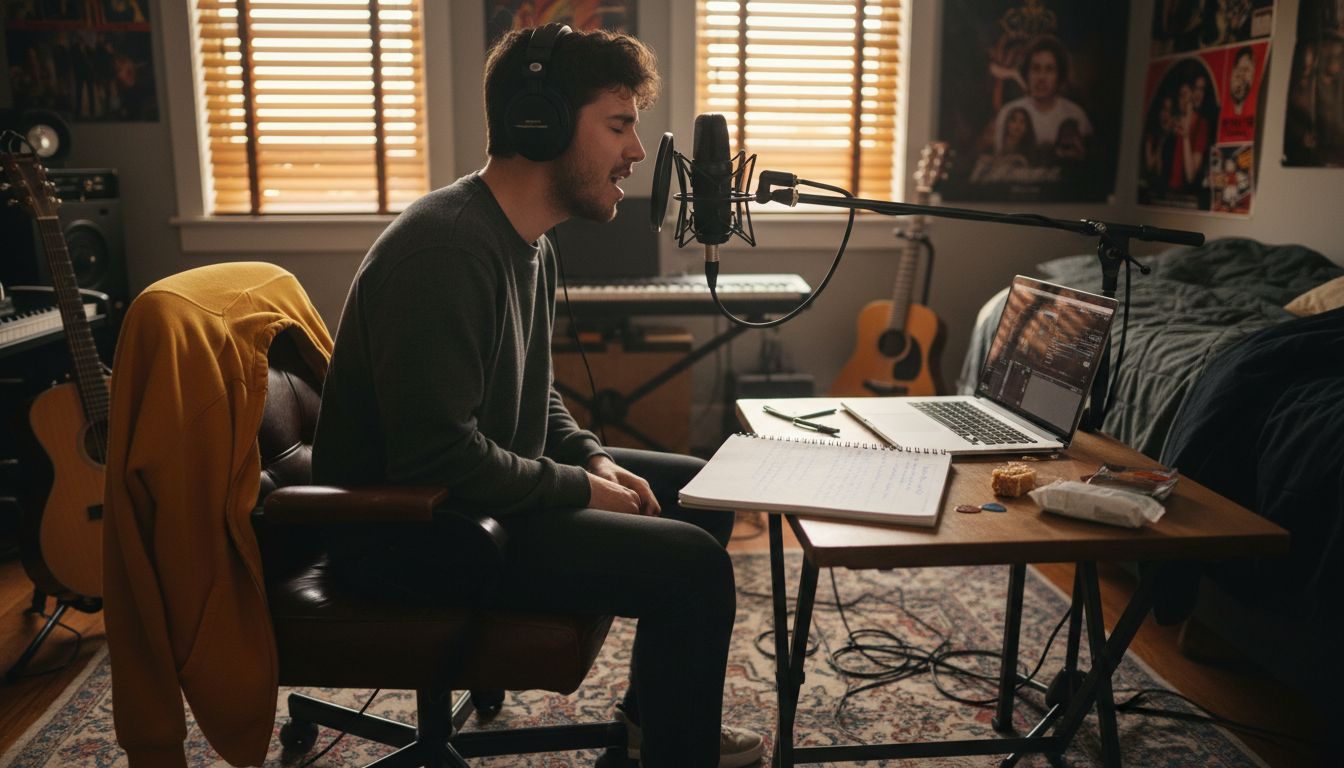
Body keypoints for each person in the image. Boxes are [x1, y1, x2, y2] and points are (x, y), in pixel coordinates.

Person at [310, 24, 764, 768]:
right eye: (619, 126)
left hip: (473, 500)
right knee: (693, 567)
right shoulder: (447, 250)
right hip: (416, 534)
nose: (637, 153)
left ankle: (657, 728)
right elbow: (436, 456)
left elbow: (533, 389)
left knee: (701, 493)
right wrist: (577, 486)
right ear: (540, 123)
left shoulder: (527, 241)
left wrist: (590, 457)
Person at [990, 35, 1093, 160]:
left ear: (1059, 76)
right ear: (1026, 74)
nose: (1041, 78)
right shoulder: (1008, 112)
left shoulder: (1076, 114)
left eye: (1049, 70)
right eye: (1035, 69)